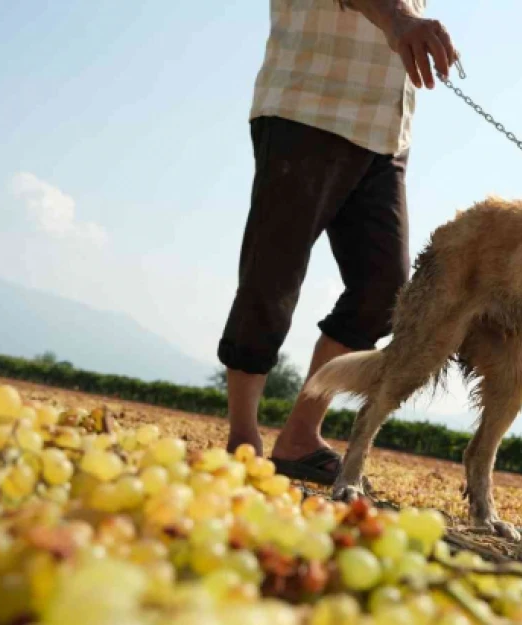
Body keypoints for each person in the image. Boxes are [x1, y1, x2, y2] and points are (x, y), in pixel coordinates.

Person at [218, 0, 458, 485]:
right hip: (309, 108)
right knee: (272, 276)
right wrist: (399, 20)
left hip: (385, 134)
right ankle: (241, 438)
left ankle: (300, 436)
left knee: (384, 292)